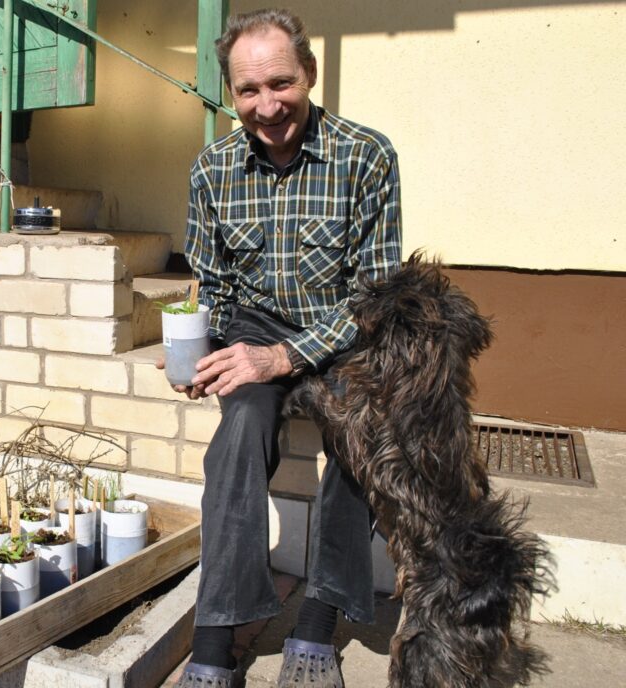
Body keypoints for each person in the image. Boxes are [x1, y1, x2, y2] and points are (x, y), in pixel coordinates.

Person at [165, 8, 402, 688]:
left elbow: (374, 298)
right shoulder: (212, 169)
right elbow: (212, 286)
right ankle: (217, 640)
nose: (267, 106)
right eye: (248, 90)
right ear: (231, 93)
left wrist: (285, 358)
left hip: (344, 333)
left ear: (310, 74)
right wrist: (200, 349)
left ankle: (316, 626)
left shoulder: (366, 156)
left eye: (281, 83)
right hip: (255, 328)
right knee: (239, 431)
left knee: (357, 425)